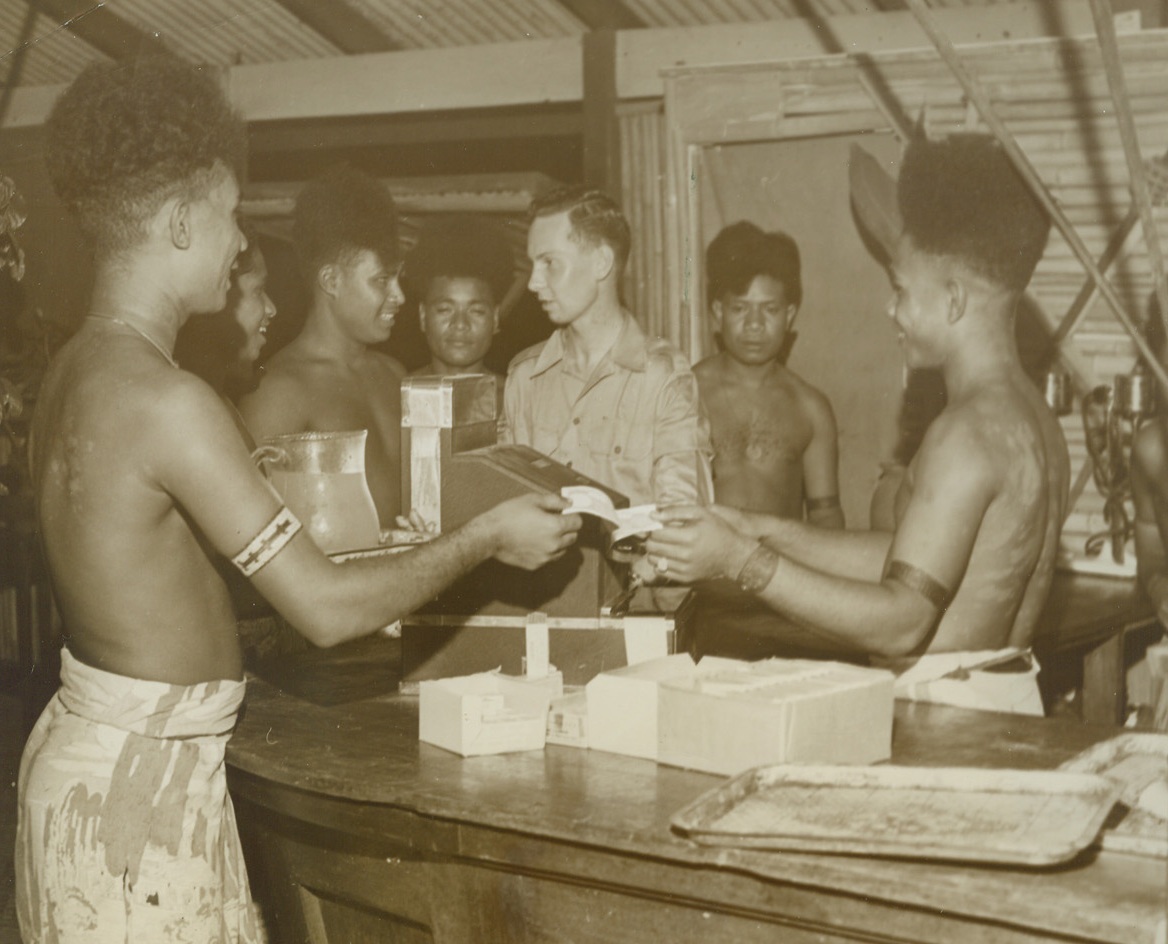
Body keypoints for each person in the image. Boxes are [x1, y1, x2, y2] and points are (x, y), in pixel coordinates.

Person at [17, 56, 580, 944]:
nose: (244, 245)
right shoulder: (171, 401)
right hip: (137, 795)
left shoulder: (79, 371)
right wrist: (482, 537)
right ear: (176, 223)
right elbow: (321, 610)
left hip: (109, 764)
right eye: (231, 217)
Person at [648, 132, 1070, 714]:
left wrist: (739, 562)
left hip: (945, 714)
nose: (891, 309)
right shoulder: (1032, 416)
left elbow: (901, 622)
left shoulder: (965, 432)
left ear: (951, 300)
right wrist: (755, 528)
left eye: (900, 289)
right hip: (995, 693)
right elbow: (908, 558)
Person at [501, 185, 713, 511]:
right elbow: (507, 512)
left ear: (601, 262)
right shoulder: (524, 376)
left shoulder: (663, 378)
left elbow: (684, 526)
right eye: (533, 264)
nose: (533, 283)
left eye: (549, 263)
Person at [237, 165, 409, 529]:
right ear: (331, 280)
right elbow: (251, 541)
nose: (399, 296)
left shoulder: (394, 375)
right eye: (382, 280)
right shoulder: (278, 392)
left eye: (398, 278)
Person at [695, 221, 843, 526]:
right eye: (740, 308)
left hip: (780, 569)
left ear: (789, 315)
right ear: (718, 312)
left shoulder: (810, 408)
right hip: (698, 568)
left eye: (770, 310)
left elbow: (826, 514)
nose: (754, 324)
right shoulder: (687, 390)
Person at [175, 219, 277, 406]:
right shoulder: (190, 403)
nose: (272, 309)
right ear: (222, 294)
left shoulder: (219, 400)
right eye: (258, 291)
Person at [408, 214, 513, 382]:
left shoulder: (515, 398)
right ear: (422, 316)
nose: (460, 324)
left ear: (495, 319)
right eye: (444, 309)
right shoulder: (394, 393)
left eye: (477, 311)